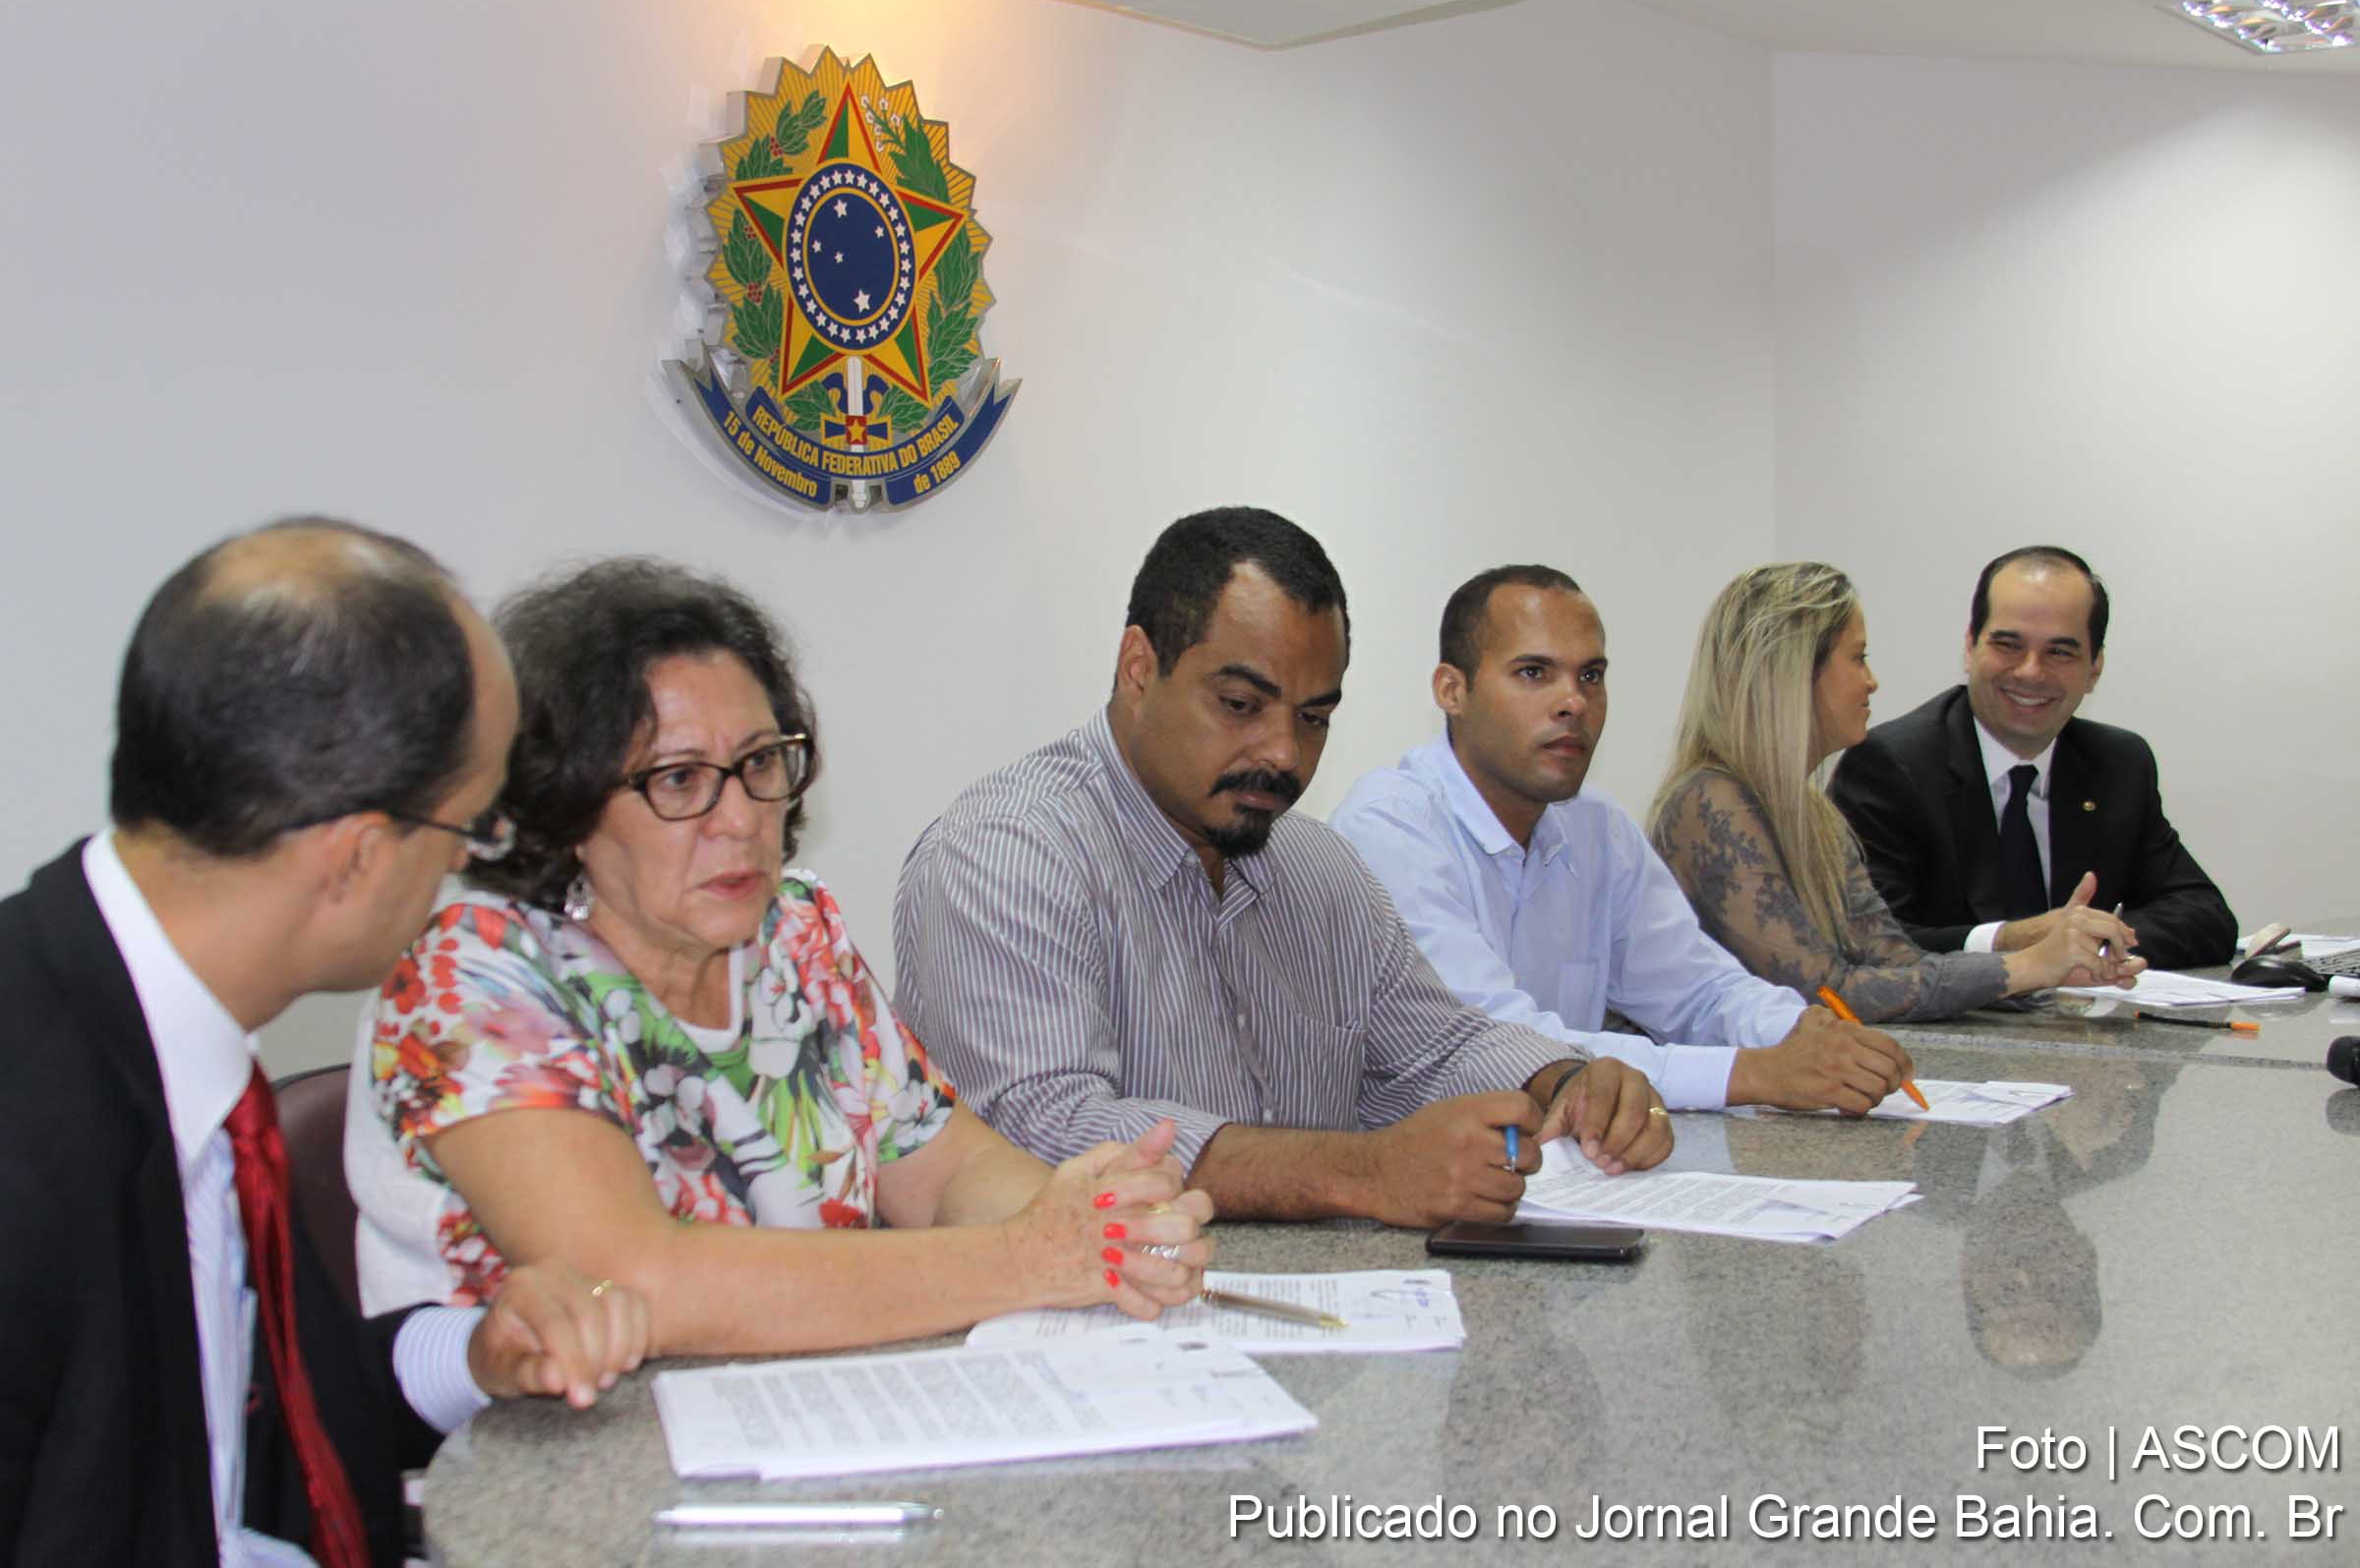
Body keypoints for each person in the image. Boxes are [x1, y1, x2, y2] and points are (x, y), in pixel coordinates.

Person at [350, 558, 1210, 1358]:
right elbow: (639, 1283)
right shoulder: (474, 979)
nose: (740, 818)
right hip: (553, 1474)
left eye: (760, 762)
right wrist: (1026, 1259)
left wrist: (1105, 1223)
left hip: (803, 1417)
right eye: (680, 780)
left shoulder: (796, 932)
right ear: (566, 804)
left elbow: (951, 1170)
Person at [0, 520, 649, 1568]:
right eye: (473, 830)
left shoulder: (152, 1032)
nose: (465, 873)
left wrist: (474, 1351)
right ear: (356, 856)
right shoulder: (31, 1125)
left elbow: (247, 1412)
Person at [893, 507, 1672, 1232]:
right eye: (1240, 704)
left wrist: (1567, 1084)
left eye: (1314, 718)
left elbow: (1435, 1044)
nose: (1283, 754)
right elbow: (1039, 1126)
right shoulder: (1006, 851)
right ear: (1138, 666)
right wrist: (1358, 1173)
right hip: (1092, 1336)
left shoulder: (1311, 861)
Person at [1331, 565, 1914, 1115]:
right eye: (1534, 673)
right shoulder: (1391, 826)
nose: (1574, 702)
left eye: (1591, 676)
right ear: (1452, 690)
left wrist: (1802, 1032)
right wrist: (1754, 1074)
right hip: (1426, 1186)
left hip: (1576, 1166)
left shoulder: (1596, 824)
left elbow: (1698, 988)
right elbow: (1495, 1040)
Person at [1647, 562, 2139, 1022]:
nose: (1872, 681)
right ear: (1794, 673)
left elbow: (1899, 961)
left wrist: (2052, 971)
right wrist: (2027, 967)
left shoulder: (1814, 812)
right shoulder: (1709, 803)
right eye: (1858, 658)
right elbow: (1828, 993)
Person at [1826, 546, 2236, 970]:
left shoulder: (2118, 763)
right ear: (1970, 648)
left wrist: (2090, 947)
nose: (2030, 671)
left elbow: (2203, 916)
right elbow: (1867, 943)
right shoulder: (1890, 764)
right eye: (2008, 645)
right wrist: (2014, 942)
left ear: (2094, 668)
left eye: (2060, 652)